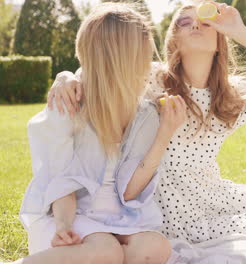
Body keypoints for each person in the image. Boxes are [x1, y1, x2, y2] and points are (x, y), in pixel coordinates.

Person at [48, 1, 246, 244]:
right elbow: (103, 69)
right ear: (173, 40)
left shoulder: (232, 97)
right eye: (183, 23)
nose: (195, 24)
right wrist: (66, 76)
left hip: (214, 193)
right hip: (165, 205)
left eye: (205, 22)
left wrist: (239, 30)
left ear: (221, 42)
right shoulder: (152, 78)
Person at [13, 3, 187, 264]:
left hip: (118, 221)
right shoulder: (69, 105)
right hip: (67, 216)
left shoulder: (146, 114)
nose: (148, 63)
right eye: (142, 54)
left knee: (155, 247)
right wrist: (63, 226)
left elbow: (129, 194)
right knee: (107, 251)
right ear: (122, 59)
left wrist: (164, 134)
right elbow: (58, 177)